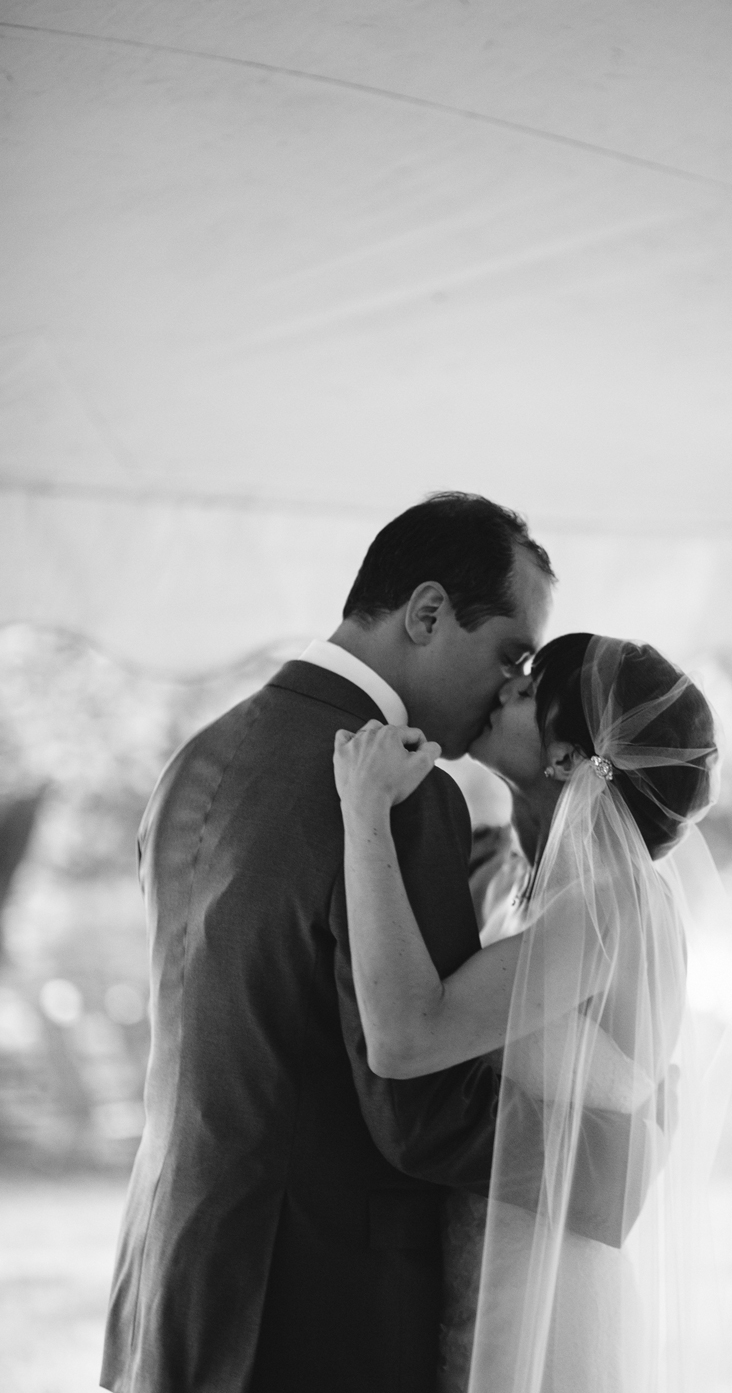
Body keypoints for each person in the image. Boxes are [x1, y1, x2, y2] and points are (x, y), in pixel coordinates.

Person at [99, 492, 555, 1393]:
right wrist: (605, 1148)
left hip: (169, 1283)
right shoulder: (408, 800)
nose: (512, 688)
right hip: (313, 1311)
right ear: (427, 612)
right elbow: (415, 1109)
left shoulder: (194, 758)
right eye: (511, 653)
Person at [334, 633, 732, 1392]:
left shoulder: (609, 901)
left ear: (564, 756)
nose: (502, 690)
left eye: (527, 689)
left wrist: (366, 816)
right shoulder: (548, 886)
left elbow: (409, 1036)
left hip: (548, 1308)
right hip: (491, 1270)